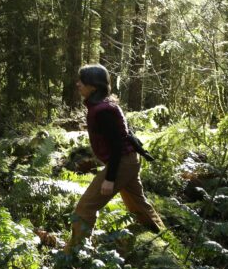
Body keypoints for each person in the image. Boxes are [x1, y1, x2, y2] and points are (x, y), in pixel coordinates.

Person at [67, 64, 166, 249]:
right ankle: (162, 236)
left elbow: (117, 145)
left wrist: (109, 179)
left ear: (94, 86)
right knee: (138, 204)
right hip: (127, 161)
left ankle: (74, 254)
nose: (78, 84)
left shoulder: (104, 110)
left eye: (83, 81)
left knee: (85, 208)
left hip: (122, 162)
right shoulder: (102, 106)